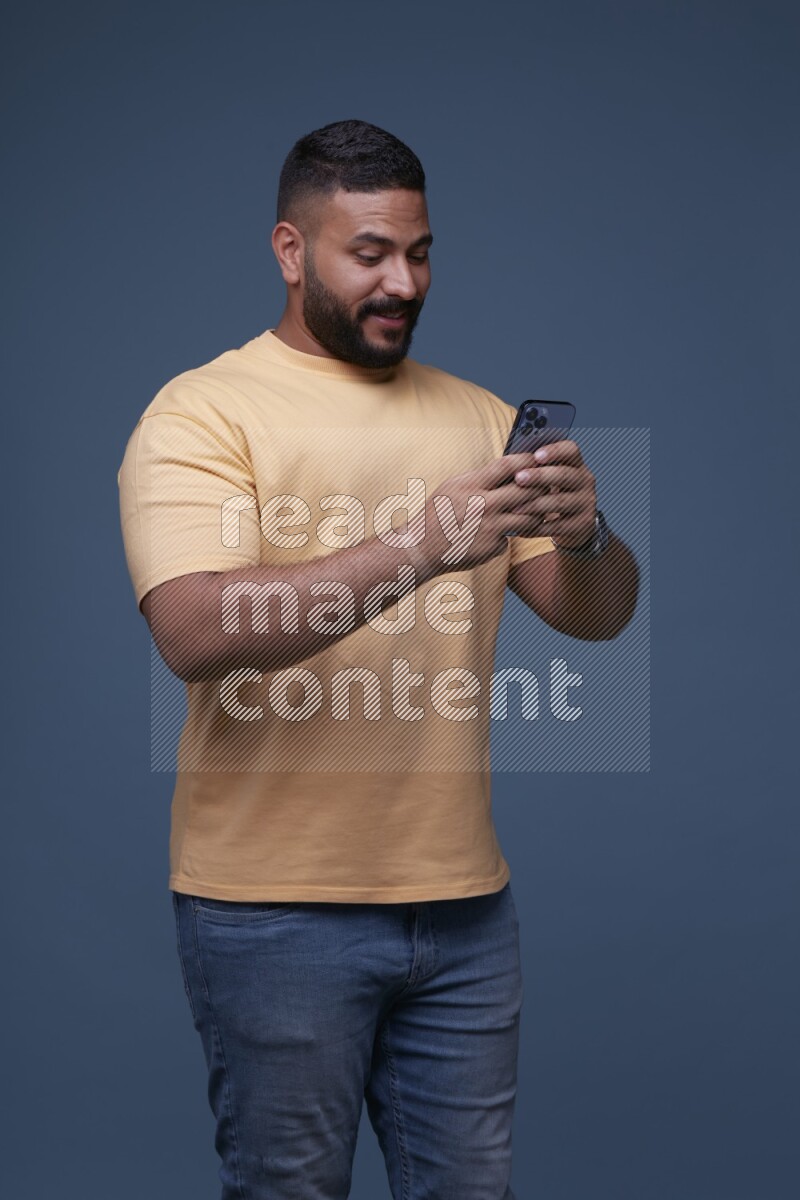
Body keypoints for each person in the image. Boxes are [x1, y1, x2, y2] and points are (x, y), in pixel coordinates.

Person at [118, 118, 638, 1200]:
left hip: (462, 910)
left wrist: (587, 537)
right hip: (271, 913)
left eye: (420, 250)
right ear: (290, 250)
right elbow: (193, 630)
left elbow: (592, 619)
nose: (403, 281)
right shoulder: (203, 412)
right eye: (369, 253)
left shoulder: (480, 416)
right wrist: (421, 544)